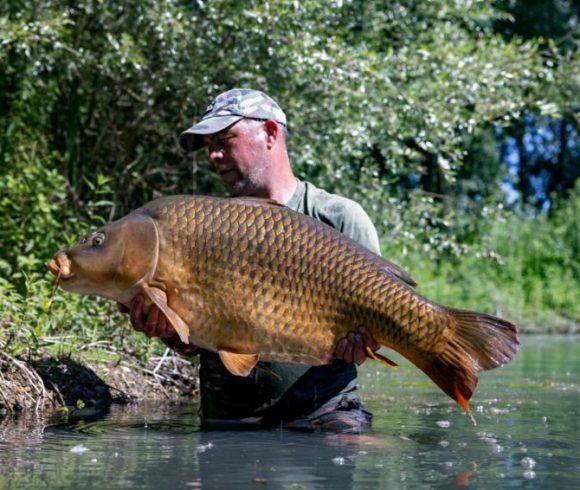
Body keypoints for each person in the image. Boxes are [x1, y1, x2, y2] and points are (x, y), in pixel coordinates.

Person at [120, 89, 380, 432]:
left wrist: (365, 344)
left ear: (270, 133)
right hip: (227, 423)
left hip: (326, 417)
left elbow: (376, 330)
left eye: (225, 141)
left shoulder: (337, 217)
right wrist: (168, 331)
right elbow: (198, 341)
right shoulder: (200, 229)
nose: (214, 155)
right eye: (209, 145)